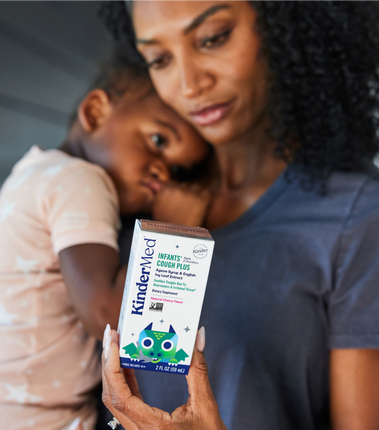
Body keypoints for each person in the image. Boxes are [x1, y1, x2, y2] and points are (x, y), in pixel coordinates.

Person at [97, 0, 379, 429]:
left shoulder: (355, 216)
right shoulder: (136, 185)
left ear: (286, 22)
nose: (190, 85)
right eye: (159, 58)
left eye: (212, 38)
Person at [0, 54, 211, 430]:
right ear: (95, 111)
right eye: (158, 140)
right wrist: (173, 227)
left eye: (178, 170)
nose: (163, 173)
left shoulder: (34, 174)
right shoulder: (81, 181)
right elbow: (107, 318)